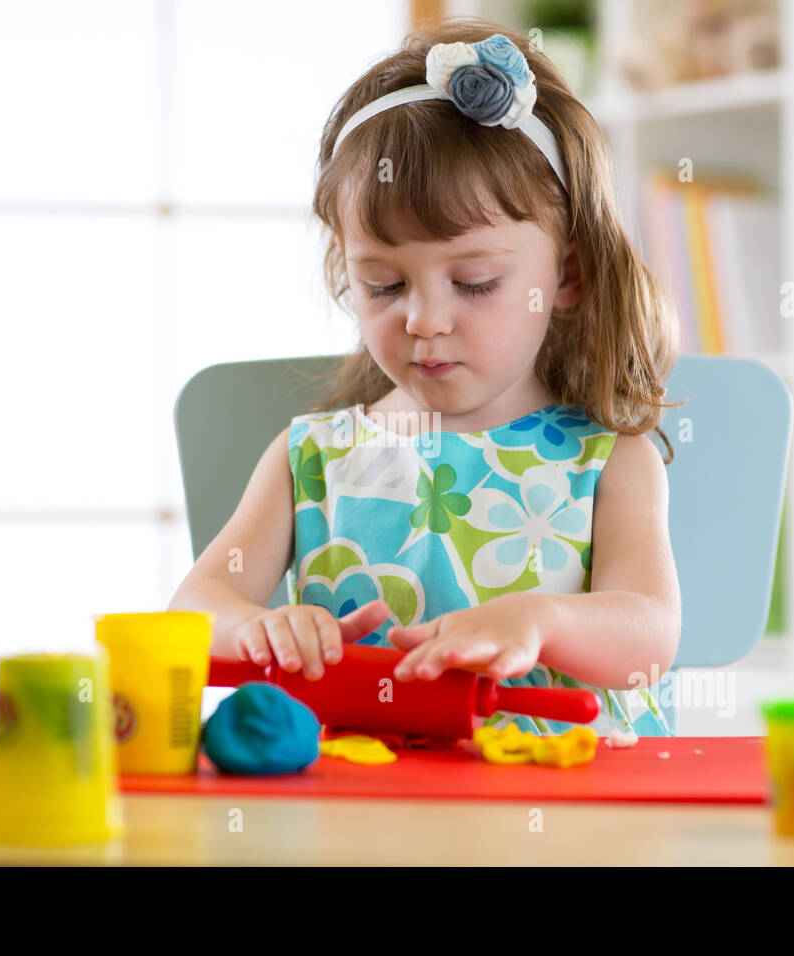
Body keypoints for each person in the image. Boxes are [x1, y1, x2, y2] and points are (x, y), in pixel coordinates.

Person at [171, 21, 683, 737]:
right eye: (383, 284)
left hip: (567, 817)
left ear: (566, 273)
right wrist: (263, 630)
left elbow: (649, 636)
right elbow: (197, 605)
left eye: (474, 283)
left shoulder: (606, 459)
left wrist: (544, 618)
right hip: (363, 815)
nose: (425, 320)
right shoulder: (314, 459)